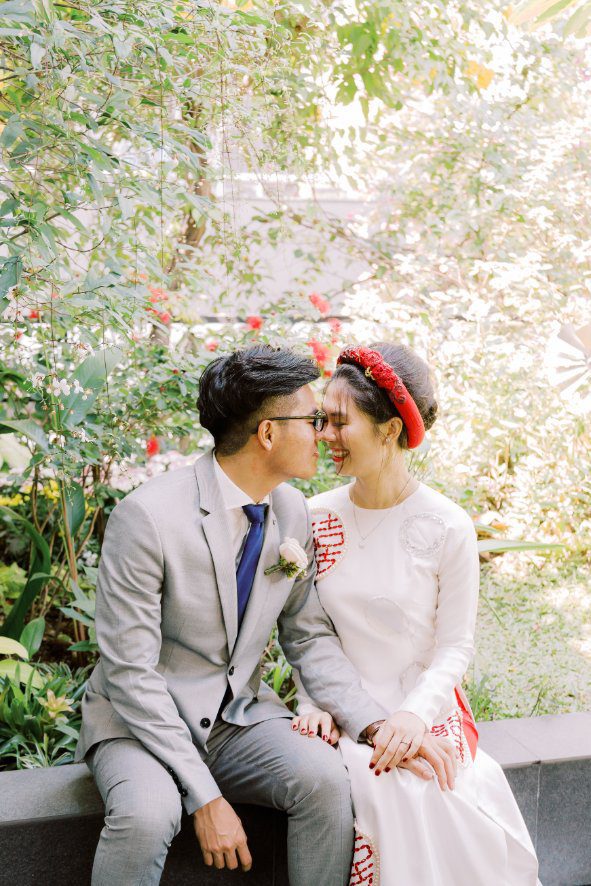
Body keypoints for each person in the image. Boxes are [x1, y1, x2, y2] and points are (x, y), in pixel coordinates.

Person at [75, 344, 455, 886]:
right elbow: (130, 674)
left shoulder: (291, 512)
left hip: (235, 723)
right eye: (314, 419)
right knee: (146, 815)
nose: (324, 432)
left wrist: (373, 724)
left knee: (326, 779)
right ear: (269, 434)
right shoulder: (147, 518)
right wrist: (206, 799)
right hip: (138, 725)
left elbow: (308, 637)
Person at [292, 342, 541, 886]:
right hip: (344, 711)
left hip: (421, 705)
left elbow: (455, 645)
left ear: (389, 430)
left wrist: (413, 716)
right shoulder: (313, 518)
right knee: (376, 783)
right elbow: (308, 631)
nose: (324, 436)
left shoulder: (447, 525)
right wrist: (315, 702)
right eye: (321, 421)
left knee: (429, 784)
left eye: (339, 422)